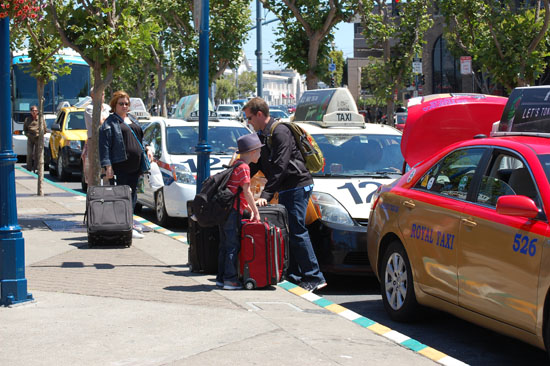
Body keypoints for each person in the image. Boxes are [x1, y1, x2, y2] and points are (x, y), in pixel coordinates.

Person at [243, 97, 327, 292]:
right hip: (287, 188)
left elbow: (280, 166)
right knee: (290, 231)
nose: (248, 122)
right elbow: (260, 164)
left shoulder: (280, 132)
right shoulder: (263, 135)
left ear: (260, 114)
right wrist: (238, 175)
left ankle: (314, 277)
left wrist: (266, 194)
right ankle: (296, 274)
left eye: (249, 118)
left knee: (297, 230)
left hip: (297, 185)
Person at [99, 90, 151, 239]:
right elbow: (105, 146)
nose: (124, 106)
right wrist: (107, 166)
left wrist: (147, 148)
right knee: (122, 196)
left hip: (136, 165)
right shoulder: (110, 122)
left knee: (133, 195)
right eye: (121, 104)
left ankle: (129, 223)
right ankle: (124, 226)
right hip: (121, 165)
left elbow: (140, 138)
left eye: (127, 104)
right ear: (114, 105)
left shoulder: (132, 119)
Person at [216, 134, 262, 290]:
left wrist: (247, 206)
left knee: (224, 245)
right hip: (233, 212)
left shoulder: (236, 164)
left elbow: (237, 192)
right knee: (232, 246)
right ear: (252, 152)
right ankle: (230, 280)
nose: (260, 154)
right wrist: (255, 212)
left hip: (226, 210)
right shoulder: (244, 167)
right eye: (259, 151)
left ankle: (221, 278)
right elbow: (247, 191)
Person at [83, 88, 111, 185]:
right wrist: (106, 119)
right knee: (94, 170)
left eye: (103, 94)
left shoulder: (108, 107)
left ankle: (106, 193)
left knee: (107, 169)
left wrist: (104, 118)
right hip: (94, 141)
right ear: (92, 95)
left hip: (108, 141)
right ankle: (93, 194)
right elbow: (101, 123)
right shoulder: (89, 109)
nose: (102, 96)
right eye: (100, 94)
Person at [23, 105, 45, 172]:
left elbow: (45, 129)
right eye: (33, 111)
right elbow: (25, 130)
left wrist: (40, 135)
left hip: (38, 138)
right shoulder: (27, 119)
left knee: (37, 154)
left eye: (35, 111)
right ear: (30, 112)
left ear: (37, 111)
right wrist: (28, 135)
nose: (34, 112)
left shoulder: (40, 119)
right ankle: (29, 169)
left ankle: (36, 168)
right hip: (30, 138)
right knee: (29, 153)